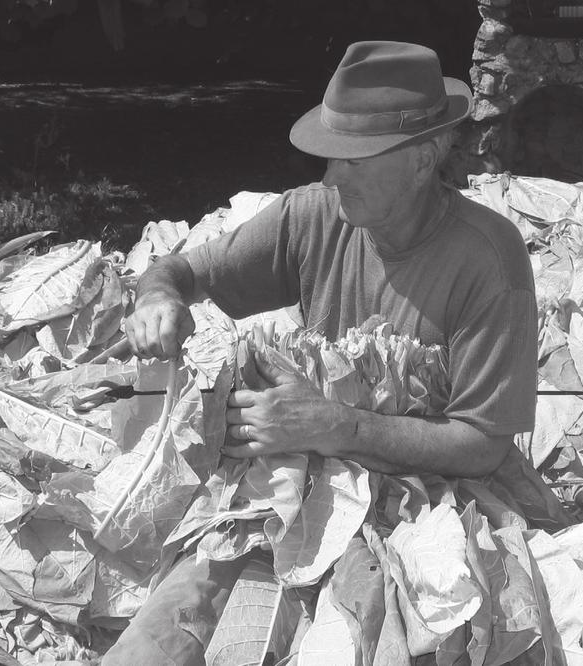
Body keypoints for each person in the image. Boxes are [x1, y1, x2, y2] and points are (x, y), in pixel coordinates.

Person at [104, 41, 539, 664]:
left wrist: (337, 425)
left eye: (355, 161)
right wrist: (158, 297)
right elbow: (181, 271)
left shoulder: (489, 260)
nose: (334, 176)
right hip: (287, 492)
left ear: (422, 159)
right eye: (332, 158)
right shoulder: (314, 216)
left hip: (428, 515)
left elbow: (481, 443)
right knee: (156, 645)